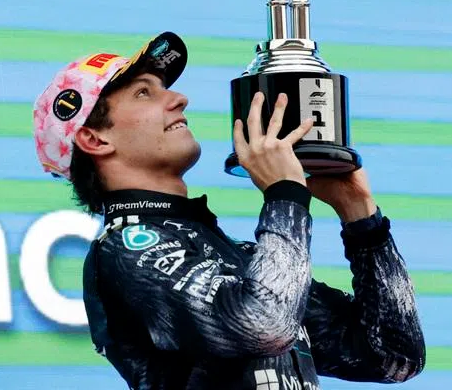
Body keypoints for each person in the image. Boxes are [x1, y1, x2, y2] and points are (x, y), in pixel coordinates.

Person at [33, 31, 426, 390]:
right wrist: (285, 194)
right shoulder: (127, 250)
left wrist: (360, 218)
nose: (178, 98)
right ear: (94, 138)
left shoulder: (240, 257)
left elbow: (394, 357)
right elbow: (263, 323)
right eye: (143, 93)